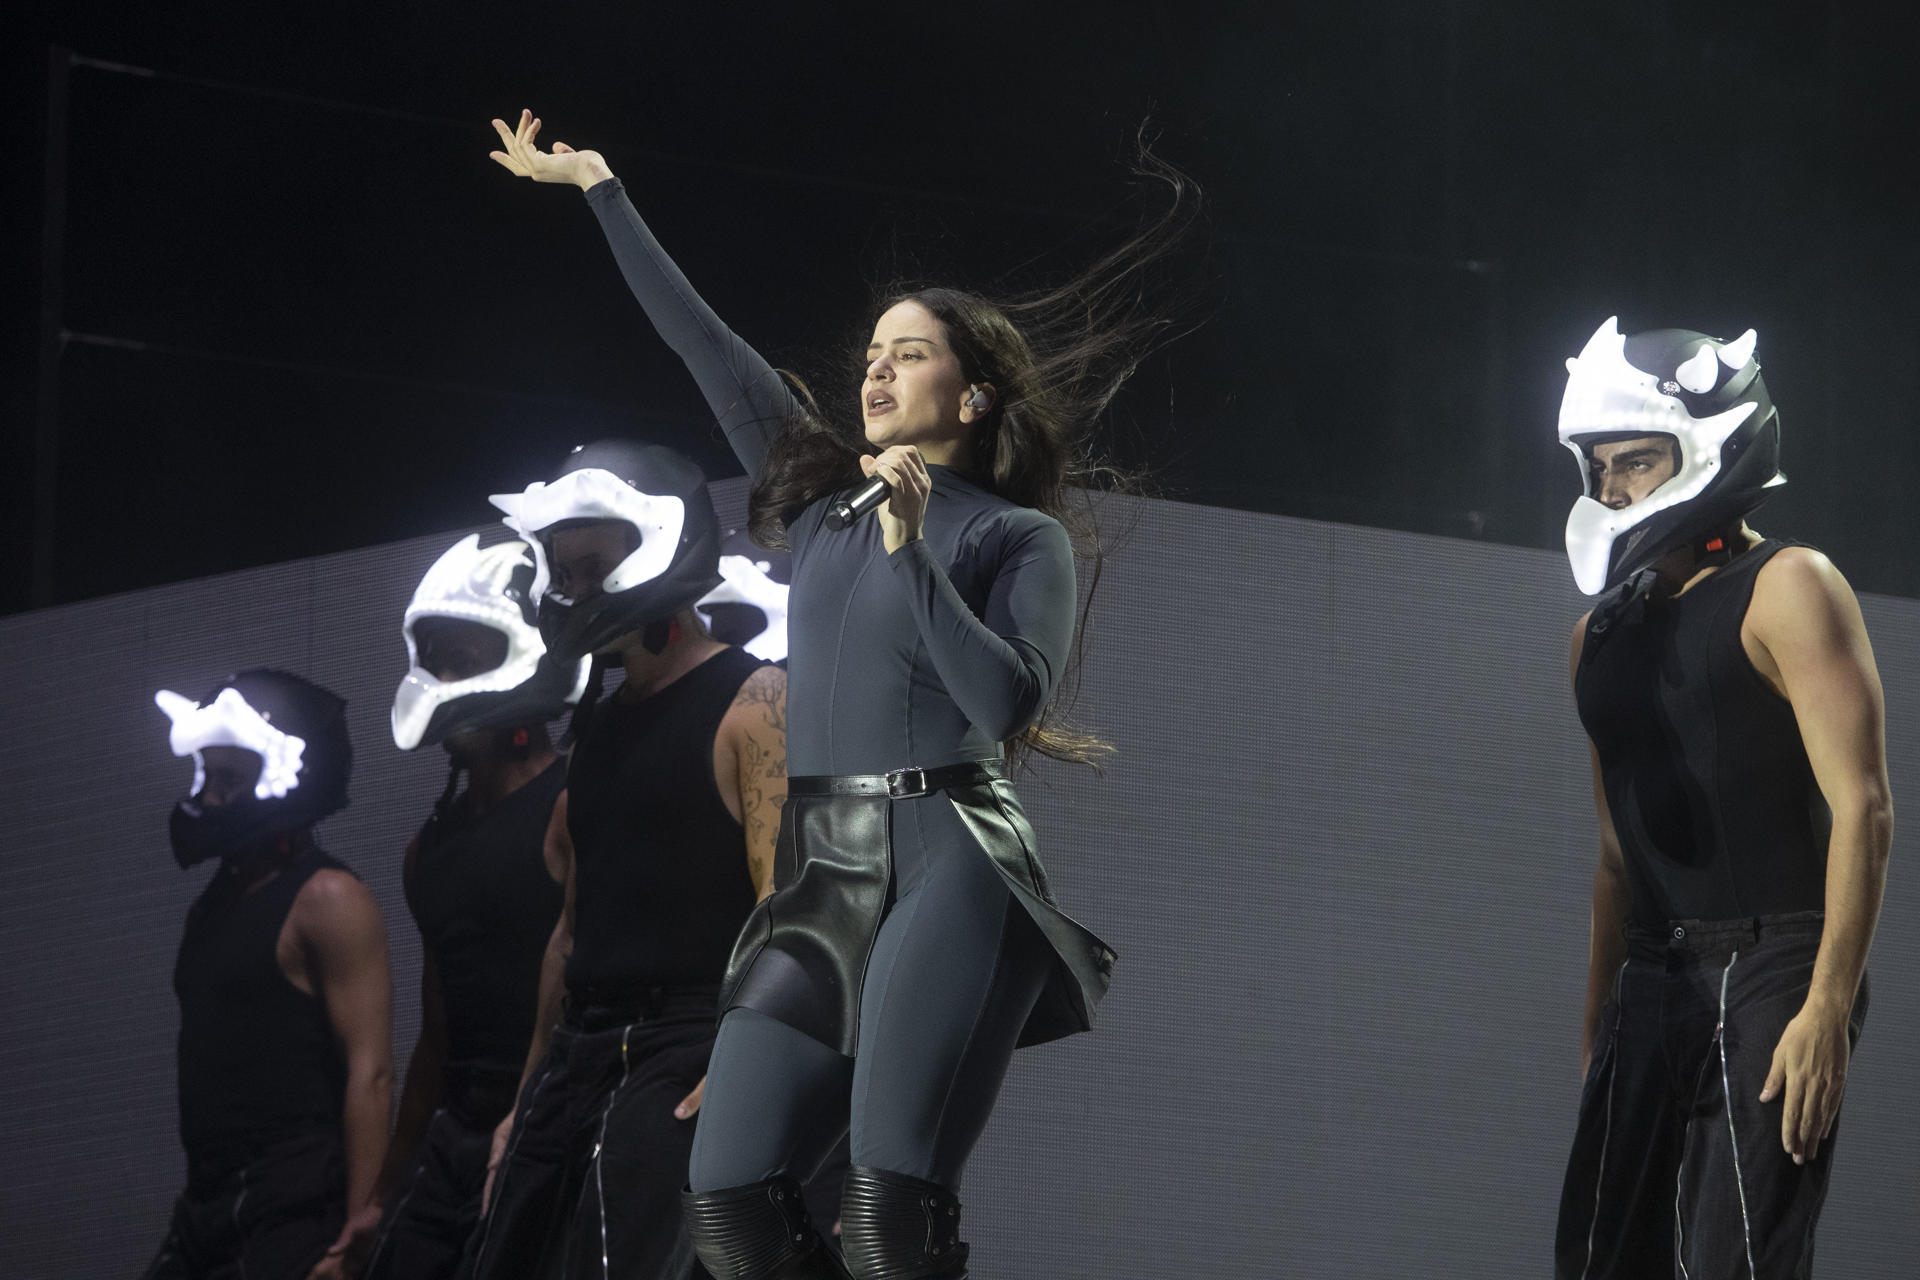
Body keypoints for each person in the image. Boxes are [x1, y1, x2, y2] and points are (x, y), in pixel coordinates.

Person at [488, 107, 1191, 1278]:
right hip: (822, 870)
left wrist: (915, 553)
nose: (877, 364)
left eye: (909, 351)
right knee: (726, 1196)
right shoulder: (820, 507)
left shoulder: (1017, 538)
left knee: (886, 1205)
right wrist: (602, 186)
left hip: (949, 856)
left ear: (972, 397)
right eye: (872, 349)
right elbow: (703, 345)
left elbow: (1005, 703)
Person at [1550, 319, 1892, 1278]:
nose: (1613, 489)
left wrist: (1827, 1005)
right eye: (1600, 465)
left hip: (1776, 962)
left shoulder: (1790, 587)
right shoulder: (1595, 637)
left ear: (1709, 442)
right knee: (1599, 1259)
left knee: (1735, 1260)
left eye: (1637, 462)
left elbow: (1862, 807)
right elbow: (1616, 859)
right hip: (1650, 982)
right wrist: (1596, 1035)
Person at [467, 439, 788, 1280]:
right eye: (562, 570)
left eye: (590, 565)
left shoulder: (755, 703)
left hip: (687, 1043)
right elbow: (572, 931)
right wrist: (522, 1101)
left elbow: (791, 908)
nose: (571, 588)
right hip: (581, 1050)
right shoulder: (600, 728)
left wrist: (750, 1062)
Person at [362, 535, 587, 1280]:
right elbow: (437, 1032)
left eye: (470, 657)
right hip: (457, 1135)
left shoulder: (574, 809)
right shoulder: (428, 850)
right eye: (438, 660)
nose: (449, 680)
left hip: (554, 1126)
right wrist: (386, 1188)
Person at [144, 670, 393, 1280]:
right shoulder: (215, 901)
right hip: (209, 1199)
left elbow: (373, 1073)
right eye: (205, 776)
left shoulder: (329, 899)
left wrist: (353, 1243)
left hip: (295, 1200)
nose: (209, 798)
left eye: (229, 779)